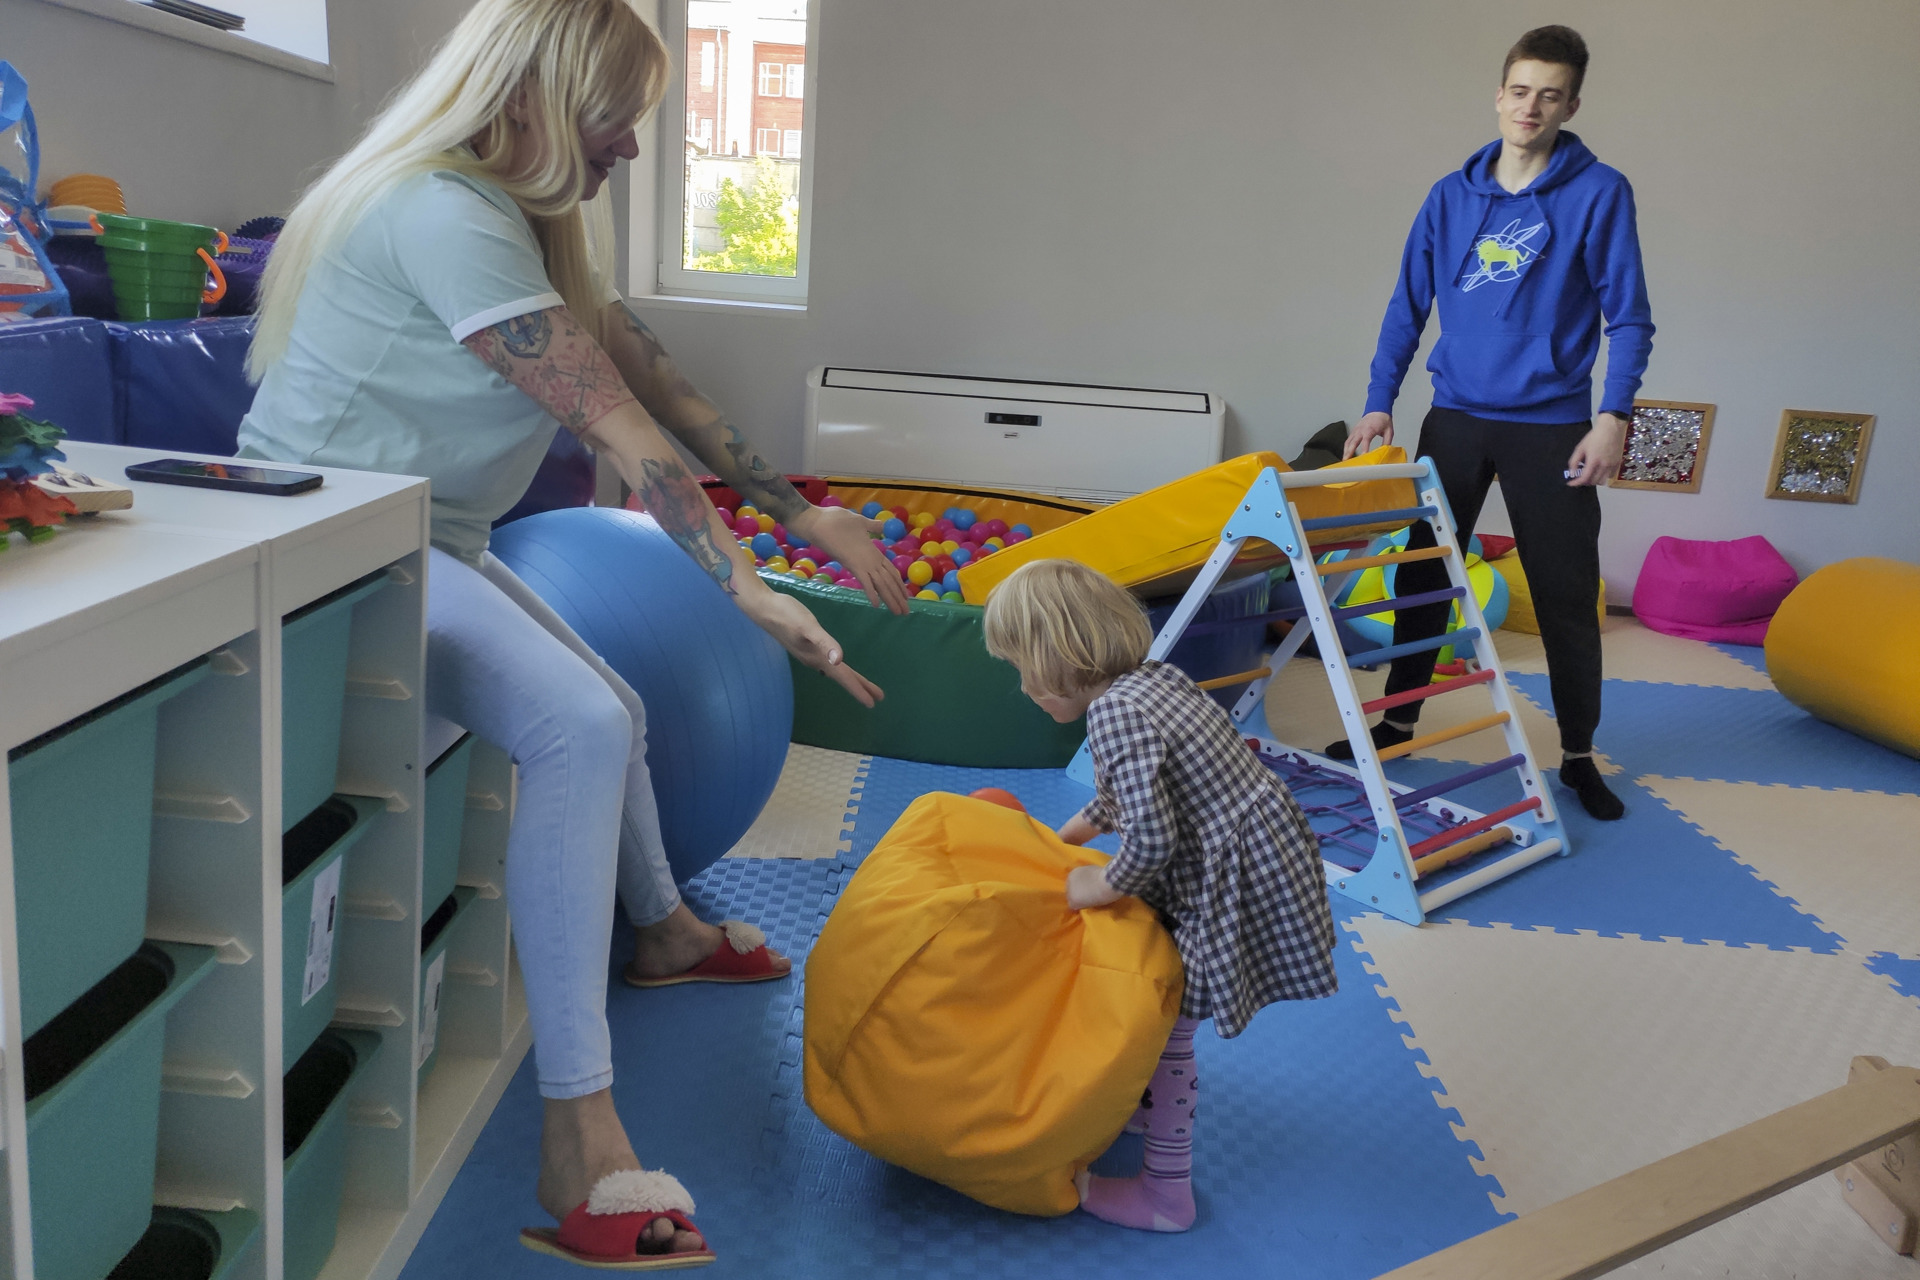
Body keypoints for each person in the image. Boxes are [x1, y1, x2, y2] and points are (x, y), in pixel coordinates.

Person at [238, 0, 906, 1266]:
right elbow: (622, 435)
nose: (633, 152)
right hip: (328, 553)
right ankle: (577, 1138)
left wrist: (803, 511)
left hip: (428, 541)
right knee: (588, 723)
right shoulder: (442, 213)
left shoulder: (525, 232)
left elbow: (667, 385)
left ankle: (661, 930)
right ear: (536, 93)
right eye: (621, 119)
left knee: (617, 705)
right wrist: (749, 590)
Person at [1339, 25, 1653, 821]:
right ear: (1500, 94)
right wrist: (1381, 397)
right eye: (1520, 90)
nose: (1532, 106)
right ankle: (1400, 721)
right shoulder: (1451, 195)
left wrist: (1613, 418)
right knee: (1420, 578)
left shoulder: (1600, 192)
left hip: (1552, 426)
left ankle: (1578, 755)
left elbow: (1630, 319)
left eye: (1551, 94)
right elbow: (1408, 305)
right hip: (1456, 419)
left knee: (1564, 594)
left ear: (1571, 103)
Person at [982, 559, 1338, 1232]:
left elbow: (1150, 842)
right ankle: (1146, 1111)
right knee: (1162, 1005)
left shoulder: (1114, 715)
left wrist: (1096, 882)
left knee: (1170, 1018)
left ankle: (1165, 1192)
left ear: (1056, 660)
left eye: (1019, 669)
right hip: (1257, 853)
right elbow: (1136, 788)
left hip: (1225, 878)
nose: (1023, 688)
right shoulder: (1155, 680)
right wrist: (1070, 836)